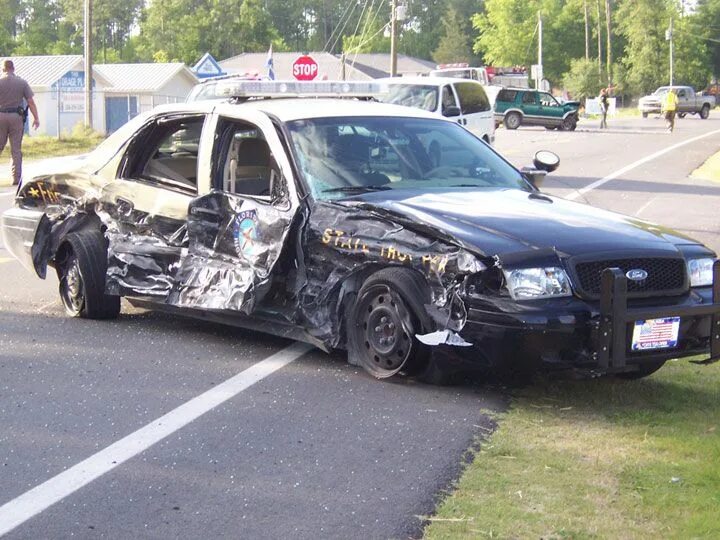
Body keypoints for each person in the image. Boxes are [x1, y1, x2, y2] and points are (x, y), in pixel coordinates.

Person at [0, 60, 40, 185]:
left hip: (0, 116)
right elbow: (30, 102)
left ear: (3, 69)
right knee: (16, 149)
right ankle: (16, 178)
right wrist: (36, 118)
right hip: (16, 117)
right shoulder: (22, 83)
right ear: (13, 68)